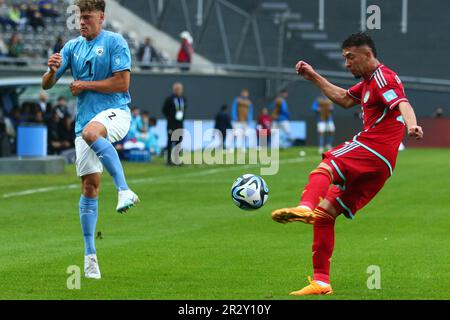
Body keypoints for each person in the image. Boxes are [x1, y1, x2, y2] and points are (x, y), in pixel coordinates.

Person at [271, 32, 423, 295]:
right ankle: (321, 281)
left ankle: (305, 206)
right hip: (382, 167)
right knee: (326, 214)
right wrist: (314, 77)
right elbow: (343, 98)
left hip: (372, 149)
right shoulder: (367, 83)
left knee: (326, 166)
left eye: (350, 58)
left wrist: (412, 125)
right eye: (344, 58)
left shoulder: (382, 78)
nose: (347, 64)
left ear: (367, 55)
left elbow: (403, 103)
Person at [41, 0, 139, 280]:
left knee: (91, 133)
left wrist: (85, 85)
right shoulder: (72, 47)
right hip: (85, 122)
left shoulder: (115, 42)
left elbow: (122, 83)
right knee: (90, 187)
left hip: (115, 113)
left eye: (87, 17)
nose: (81, 22)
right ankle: (90, 256)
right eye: (79, 17)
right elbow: (46, 84)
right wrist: (50, 69)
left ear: (101, 17)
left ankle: (124, 189)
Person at [162, 82, 187, 165]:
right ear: (174, 90)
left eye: (180, 89)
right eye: (177, 89)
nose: (179, 91)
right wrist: (170, 117)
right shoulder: (170, 99)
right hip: (171, 124)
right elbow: (164, 110)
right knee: (170, 141)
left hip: (180, 124)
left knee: (178, 142)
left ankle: (177, 160)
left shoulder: (183, 99)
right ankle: (169, 160)